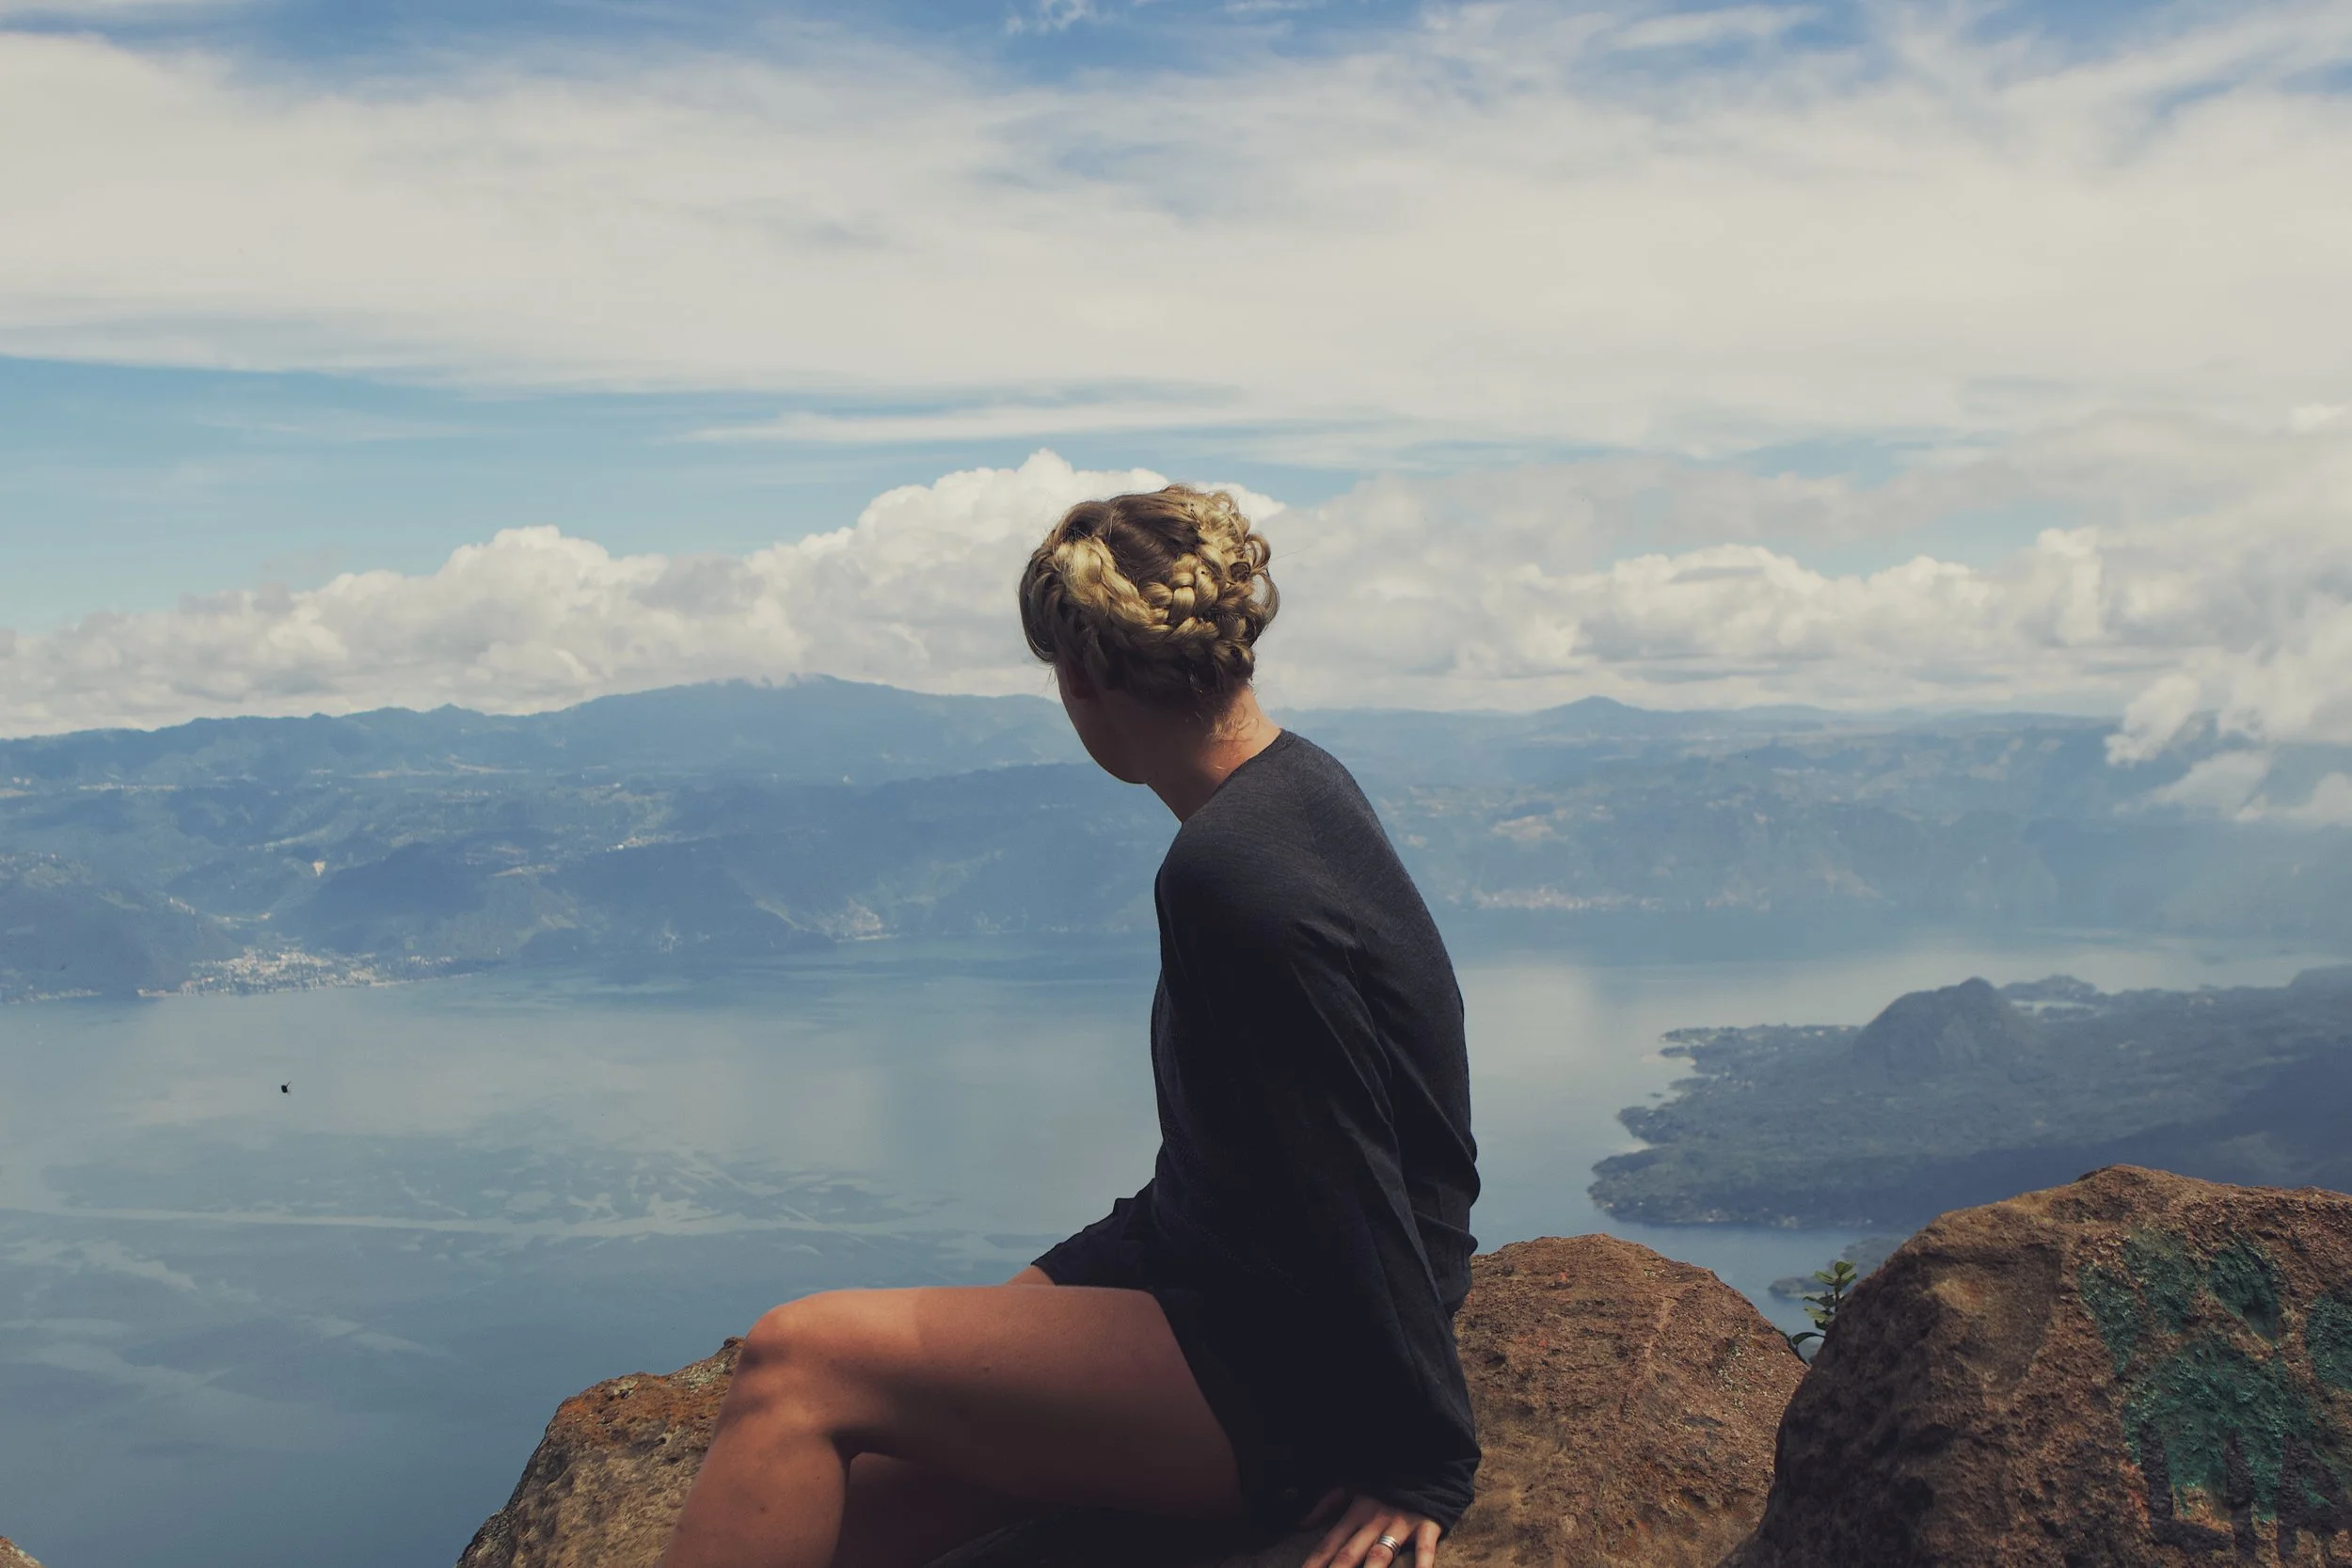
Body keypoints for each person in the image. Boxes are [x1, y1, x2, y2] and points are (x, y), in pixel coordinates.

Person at [660, 485, 1481, 1568]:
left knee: (797, 1358)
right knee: (838, 1505)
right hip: (1219, 1267)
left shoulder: (1233, 873)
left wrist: (1420, 1457)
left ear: (1081, 674)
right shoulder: (1298, 785)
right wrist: (1077, 1277)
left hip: (1291, 1363)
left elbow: (1353, 1169)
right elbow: (1295, 1148)